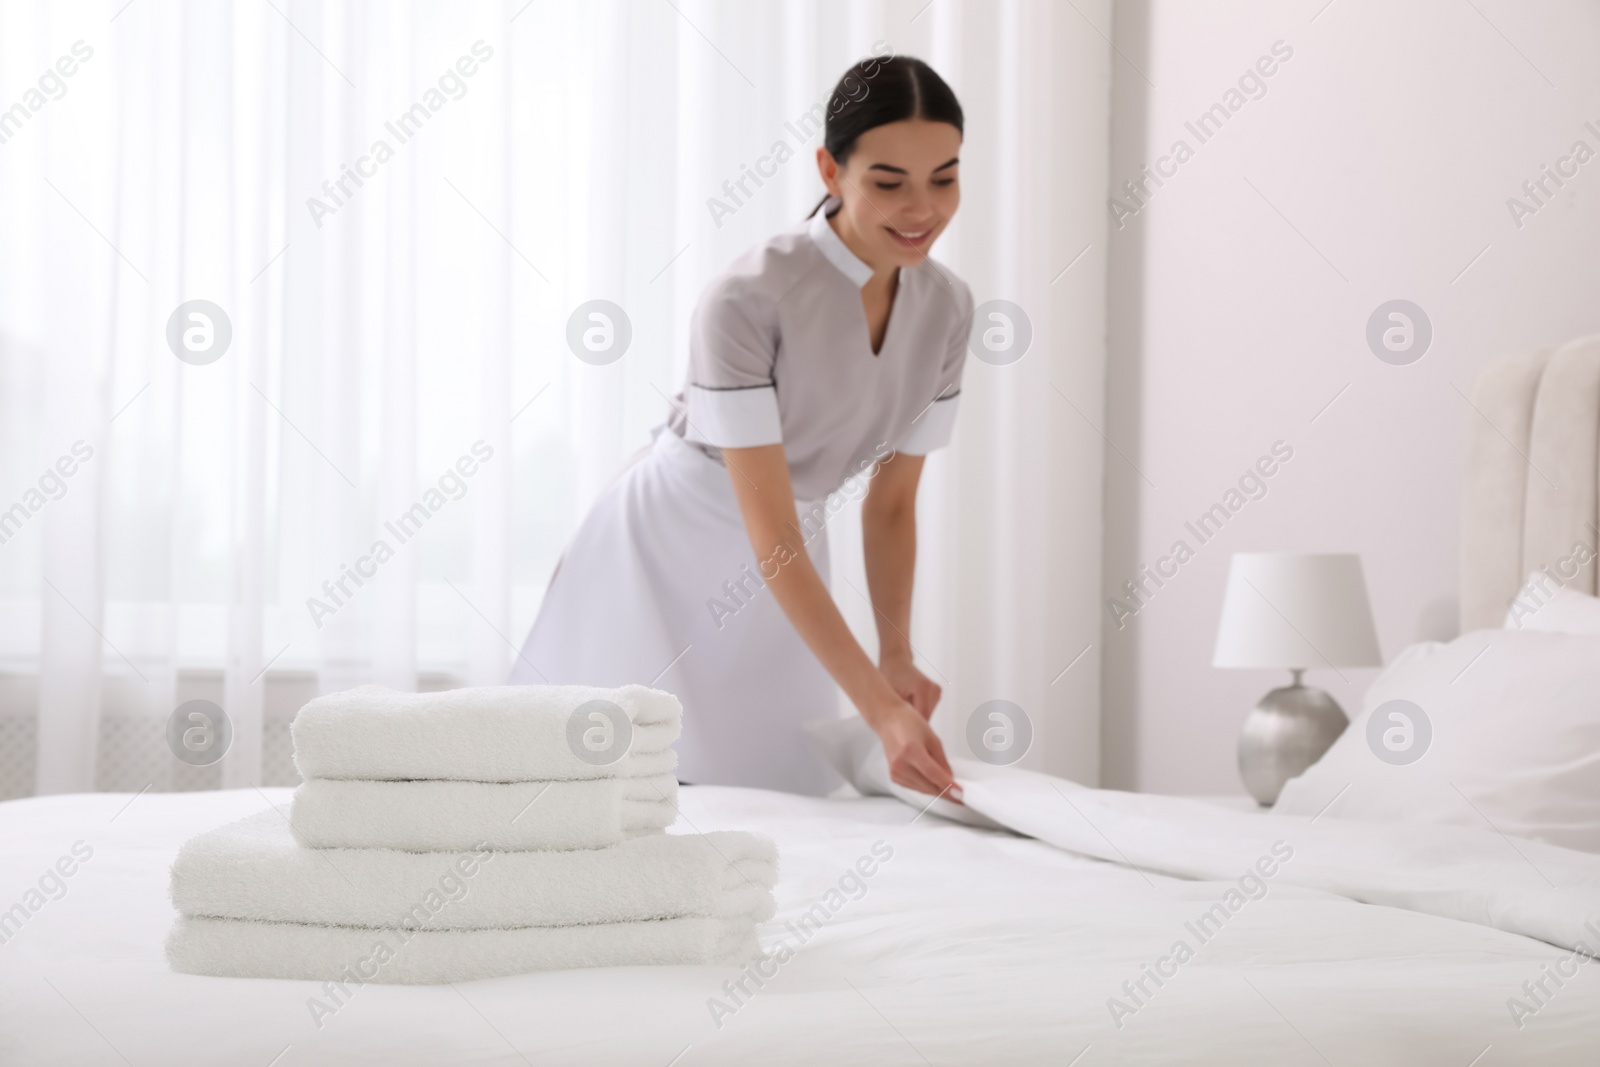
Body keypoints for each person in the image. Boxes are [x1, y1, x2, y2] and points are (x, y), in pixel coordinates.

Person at [511, 55, 973, 800]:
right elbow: (773, 534)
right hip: (665, 547)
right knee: (605, 792)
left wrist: (896, 656)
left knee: (780, 799)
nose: (921, 210)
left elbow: (890, 503)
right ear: (831, 170)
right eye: (889, 182)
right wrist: (880, 711)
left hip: (788, 553)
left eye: (944, 178)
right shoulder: (749, 298)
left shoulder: (947, 309)